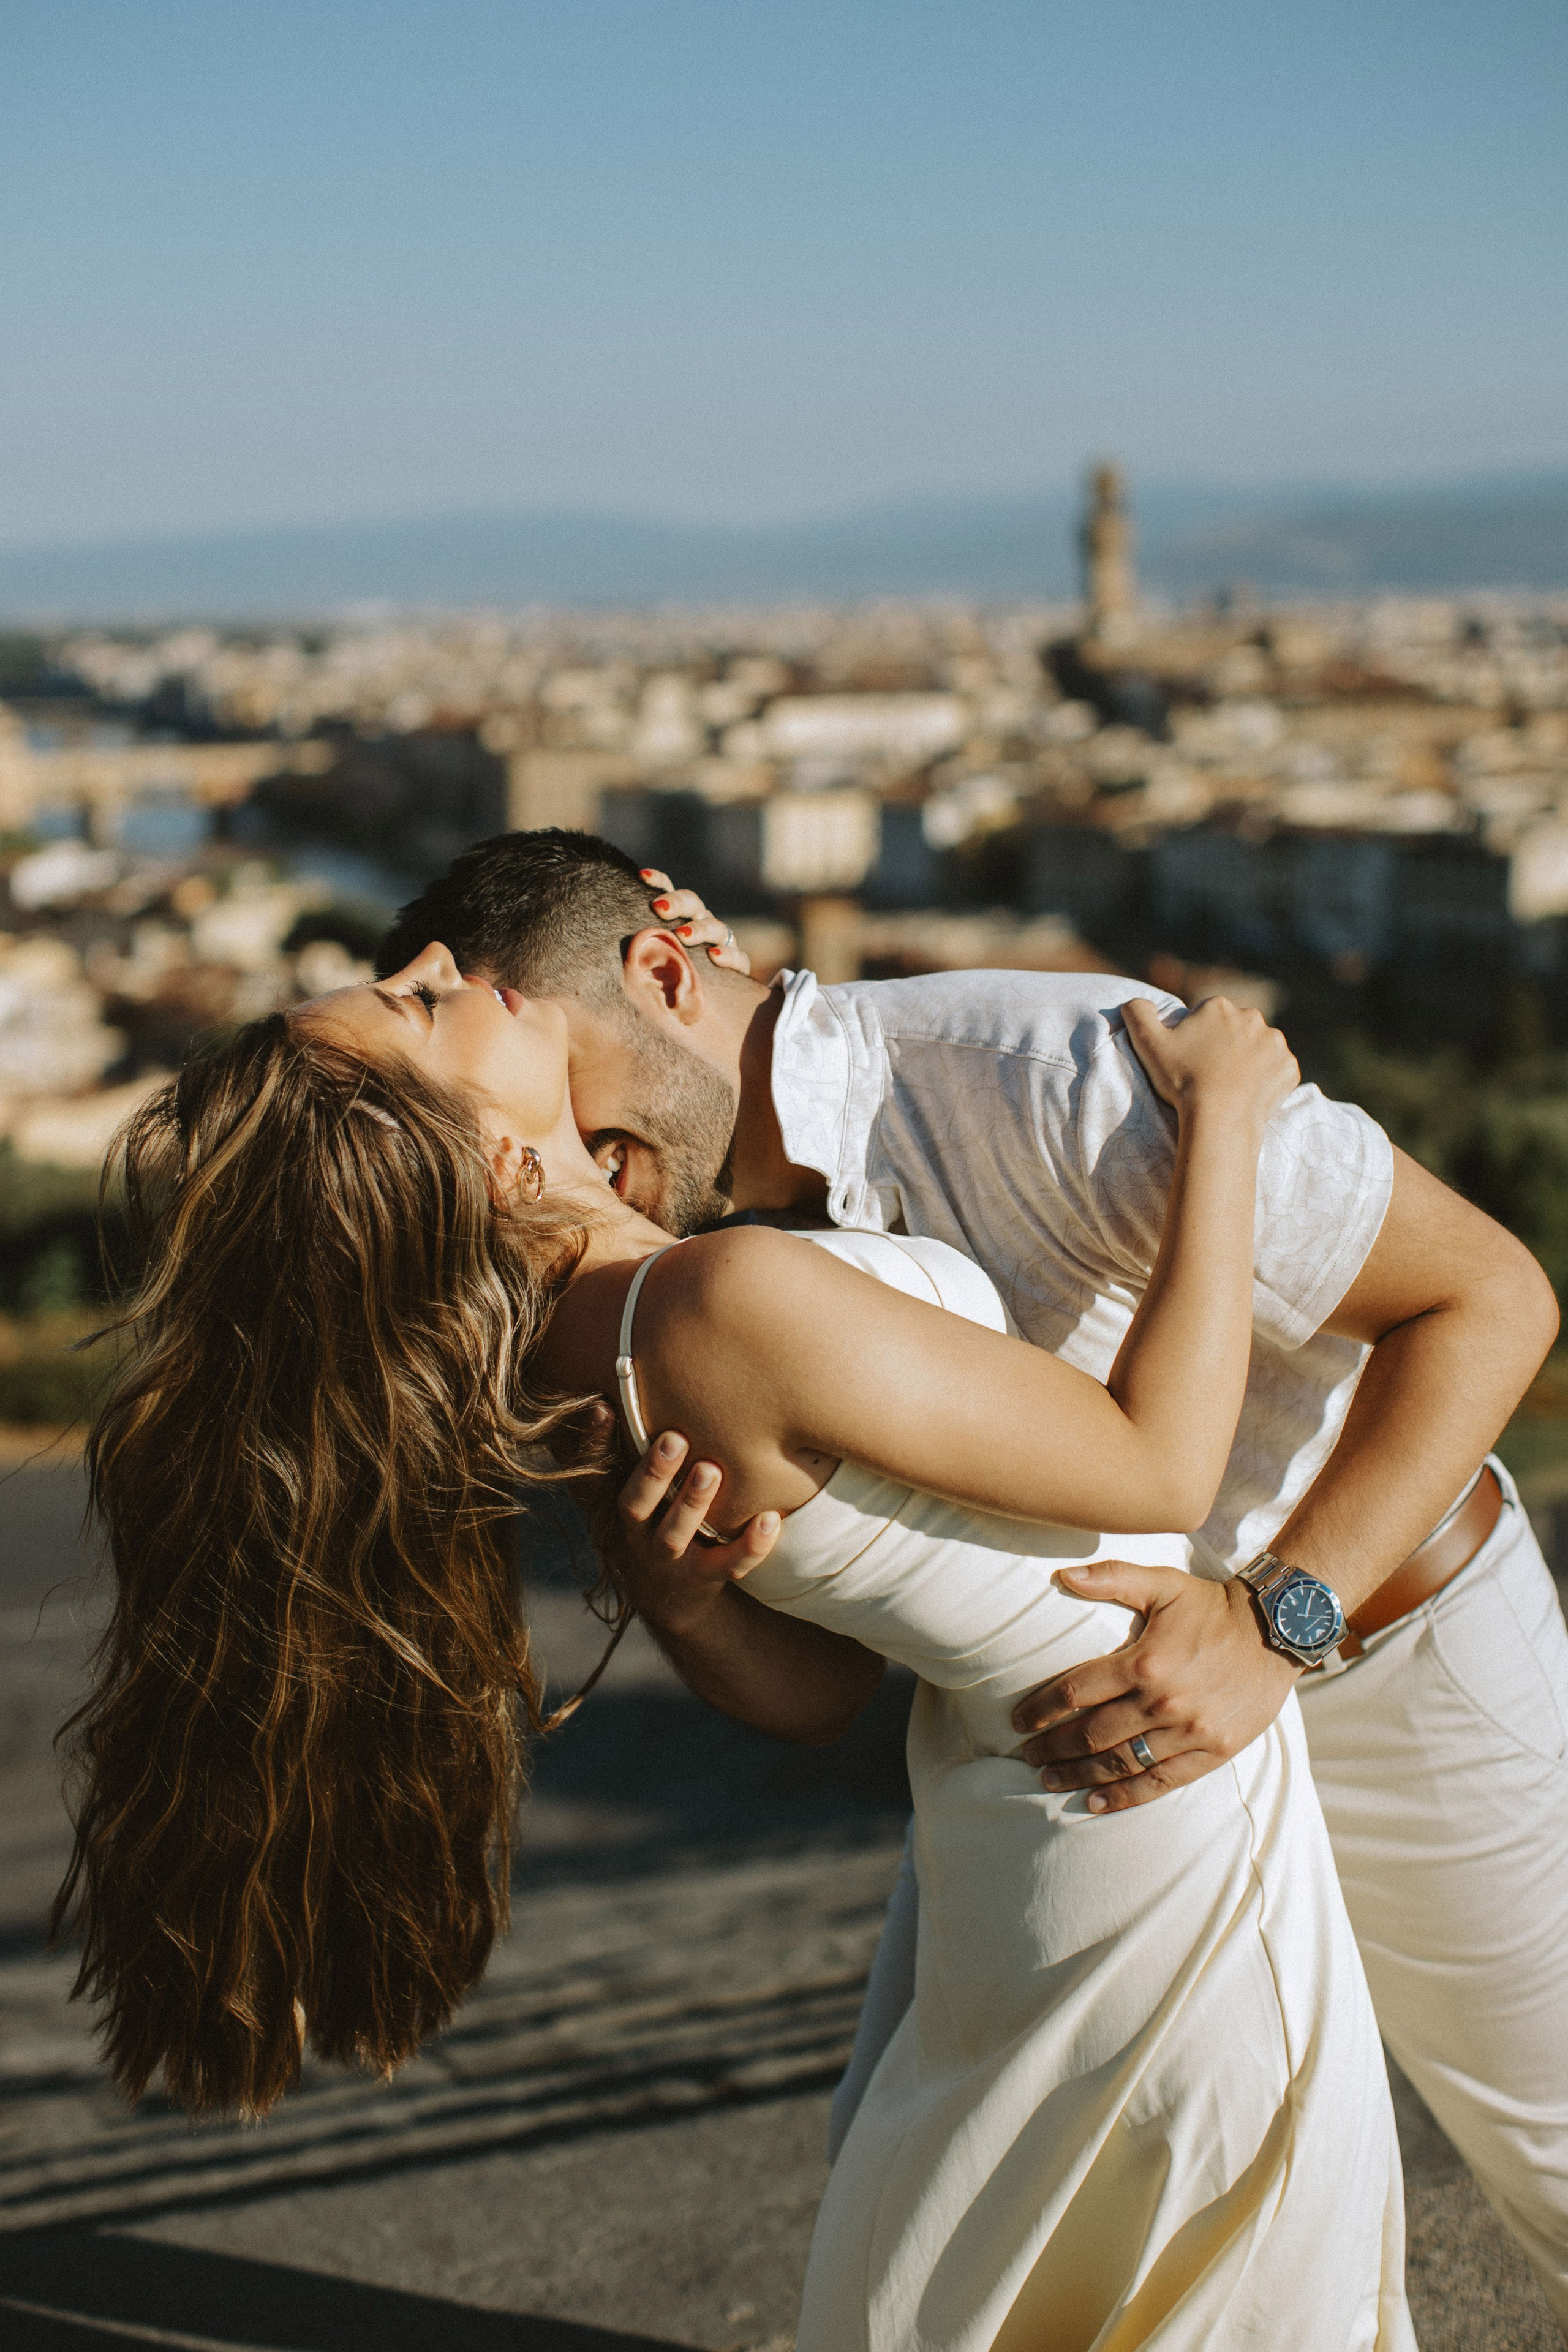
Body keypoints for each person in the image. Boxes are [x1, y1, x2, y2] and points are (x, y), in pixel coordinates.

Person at [59, 940, 1412, 2349]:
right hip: (1147, 1805)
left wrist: (686, 1603)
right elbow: (1158, 1471)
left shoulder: (583, 1345)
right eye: (414, 1002)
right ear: (480, 1158)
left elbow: (823, 1695)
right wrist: (1226, 1127)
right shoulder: (718, 1306)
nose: (440, 957)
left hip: (1017, 1804)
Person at [376, 826, 1568, 2324]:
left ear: (665, 973)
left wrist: (1274, 1626)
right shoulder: (677, 1270)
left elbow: (1491, 1295)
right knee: (936, 2191)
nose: (585, 1160)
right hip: (1088, 1755)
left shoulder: (1048, 1068)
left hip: (1382, 1651)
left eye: (581, 1102)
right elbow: (826, 1697)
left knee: (1548, 2144)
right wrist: (684, 1601)